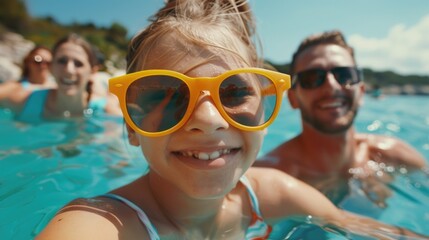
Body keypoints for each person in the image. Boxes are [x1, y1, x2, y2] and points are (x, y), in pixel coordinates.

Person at [36, 1, 428, 239]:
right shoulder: (99, 224)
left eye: (235, 92)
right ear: (130, 125)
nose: (208, 120)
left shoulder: (273, 193)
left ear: (265, 108)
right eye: (165, 93)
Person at [256, 30, 427, 206]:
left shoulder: (395, 156)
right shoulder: (265, 176)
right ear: (293, 99)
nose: (332, 86)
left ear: (361, 92)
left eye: (345, 75)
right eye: (313, 78)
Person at [1, 33, 121, 120]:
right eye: (62, 61)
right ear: (51, 67)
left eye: (78, 64)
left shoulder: (107, 111)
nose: (68, 70)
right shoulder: (24, 99)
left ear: (92, 72)